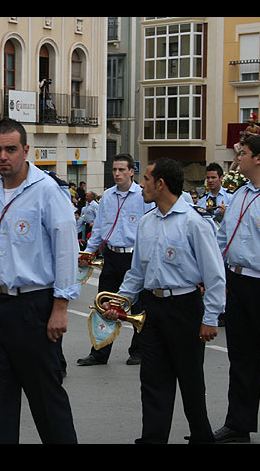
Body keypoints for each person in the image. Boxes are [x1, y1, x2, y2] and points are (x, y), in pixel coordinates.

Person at [0, 118, 79, 444]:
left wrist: (60, 308)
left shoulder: (48, 192)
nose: (3, 156)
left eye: (10, 149)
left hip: (34, 307)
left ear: (26, 150)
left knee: (46, 400)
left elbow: (66, 251)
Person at [101, 157, 225, 444]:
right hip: (152, 308)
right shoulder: (147, 222)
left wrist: (210, 318)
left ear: (160, 184)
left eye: (145, 179)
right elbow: (137, 273)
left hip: (185, 307)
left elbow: (215, 274)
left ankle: (201, 436)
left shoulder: (194, 222)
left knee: (190, 378)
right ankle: (153, 438)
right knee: (153, 379)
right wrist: (118, 303)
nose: (142, 185)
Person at [213, 134, 260, 443]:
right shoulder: (241, 194)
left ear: (259, 158)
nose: (238, 158)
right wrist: (215, 274)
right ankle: (239, 424)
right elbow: (222, 238)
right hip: (238, 283)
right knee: (241, 358)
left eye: (243, 153)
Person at [77, 153, 154, 366]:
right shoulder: (108, 196)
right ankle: (99, 352)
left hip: (134, 257)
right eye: (114, 170)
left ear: (131, 171)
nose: (117, 174)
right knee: (105, 304)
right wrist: (88, 253)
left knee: (137, 304)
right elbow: (100, 228)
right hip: (111, 256)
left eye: (121, 170)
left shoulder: (142, 195)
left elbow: (150, 229)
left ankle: (138, 350)